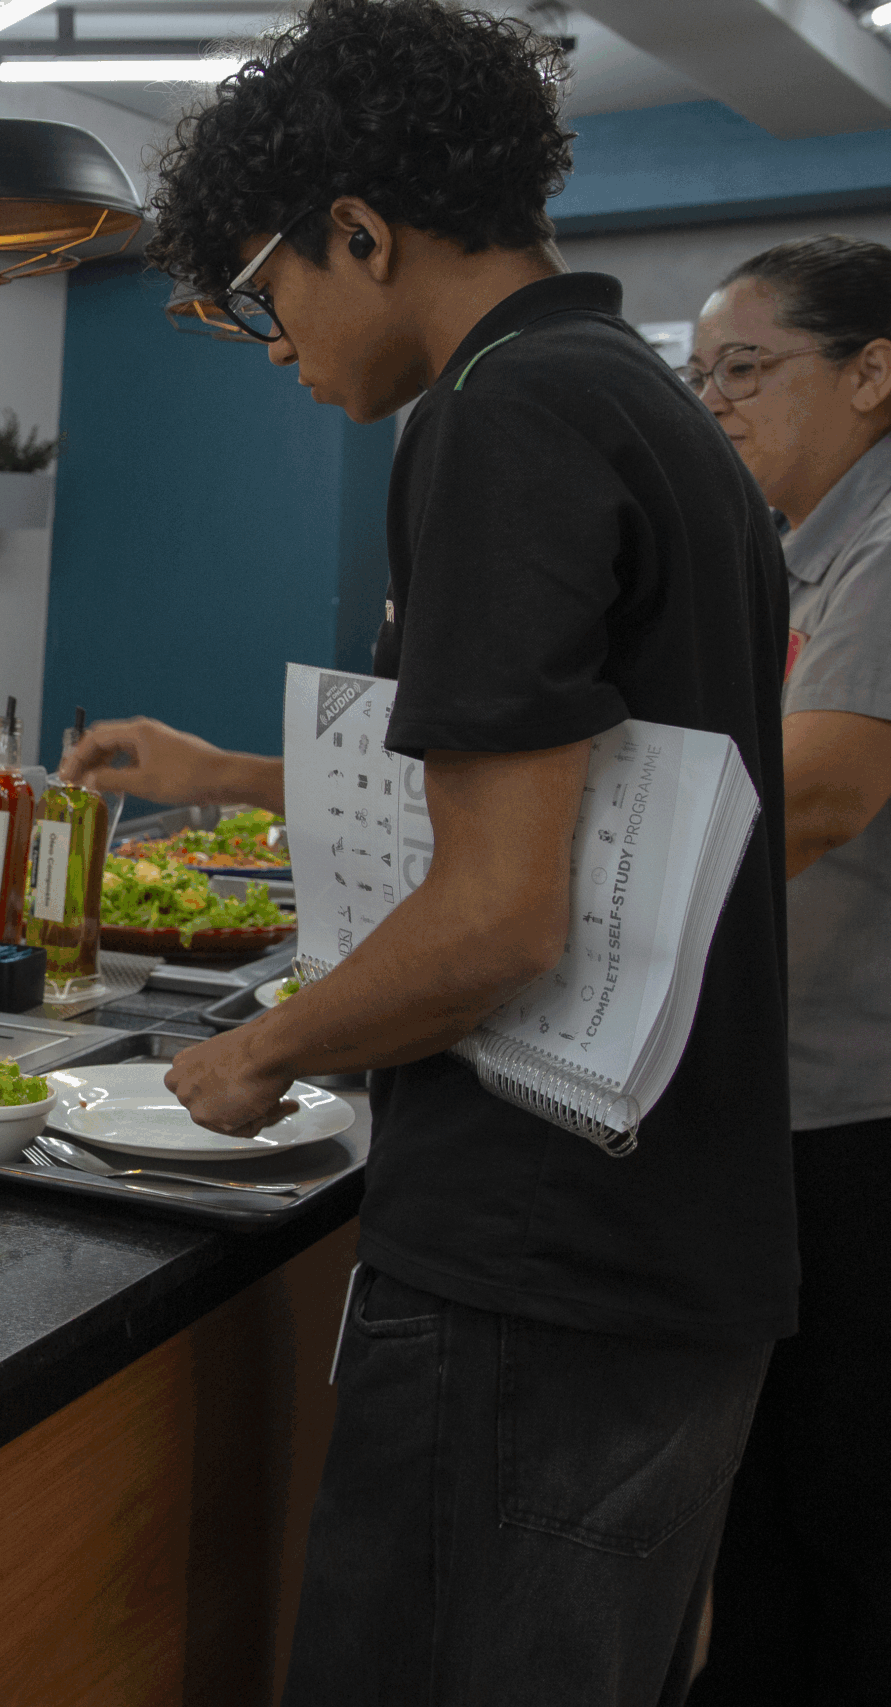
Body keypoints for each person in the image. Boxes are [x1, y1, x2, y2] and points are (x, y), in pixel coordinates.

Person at [61, 4, 792, 1700]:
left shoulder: (499, 417)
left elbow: (496, 915)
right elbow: (563, 798)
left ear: (362, 230)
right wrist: (236, 776)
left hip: (544, 1258)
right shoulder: (641, 405)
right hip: (665, 1245)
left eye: (264, 295)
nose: (272, 348)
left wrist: (257, 1048)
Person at [683, 237, 891, 1703]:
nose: (717, 404)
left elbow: (813, 797)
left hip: (860, 1112)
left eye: (745, 369)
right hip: (794, 1097)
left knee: (841, 1513)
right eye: (701, 376)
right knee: (764, 1516)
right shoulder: (798, 551)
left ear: (875, 372)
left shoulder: (884, 548)